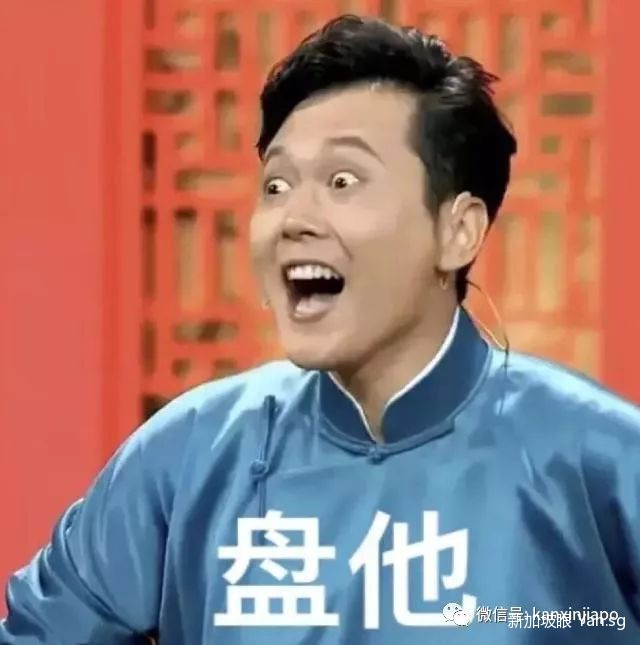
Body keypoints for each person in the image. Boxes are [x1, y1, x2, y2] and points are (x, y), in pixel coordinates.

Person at [2, 14, 639, 644]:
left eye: (342, 181)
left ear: (457, 230)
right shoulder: (189, 456)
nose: (293, 219)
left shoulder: (600, 459)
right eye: (276, 185)